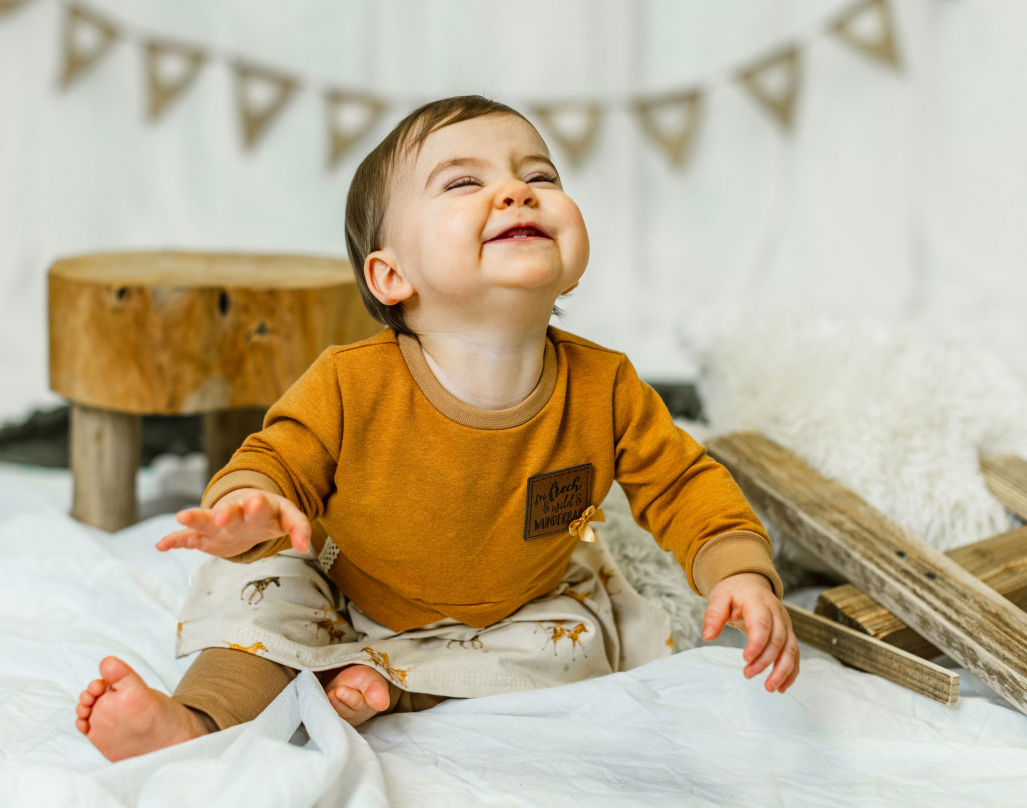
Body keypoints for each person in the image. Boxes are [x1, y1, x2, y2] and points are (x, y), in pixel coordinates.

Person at [75, 95, 800, 762]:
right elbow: (278, 455)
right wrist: (251, 504)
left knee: (579, 645)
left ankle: (395, 683)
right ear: (391, 276)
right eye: (462, 183)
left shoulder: (604, 386)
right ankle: (193, 722)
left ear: (570, 264)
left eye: (539, 176)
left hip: (516, 601)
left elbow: (682, 482)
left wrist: (736, 569)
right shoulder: (351, 381)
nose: (516, 192)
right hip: (344, 580)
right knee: (258, 600)